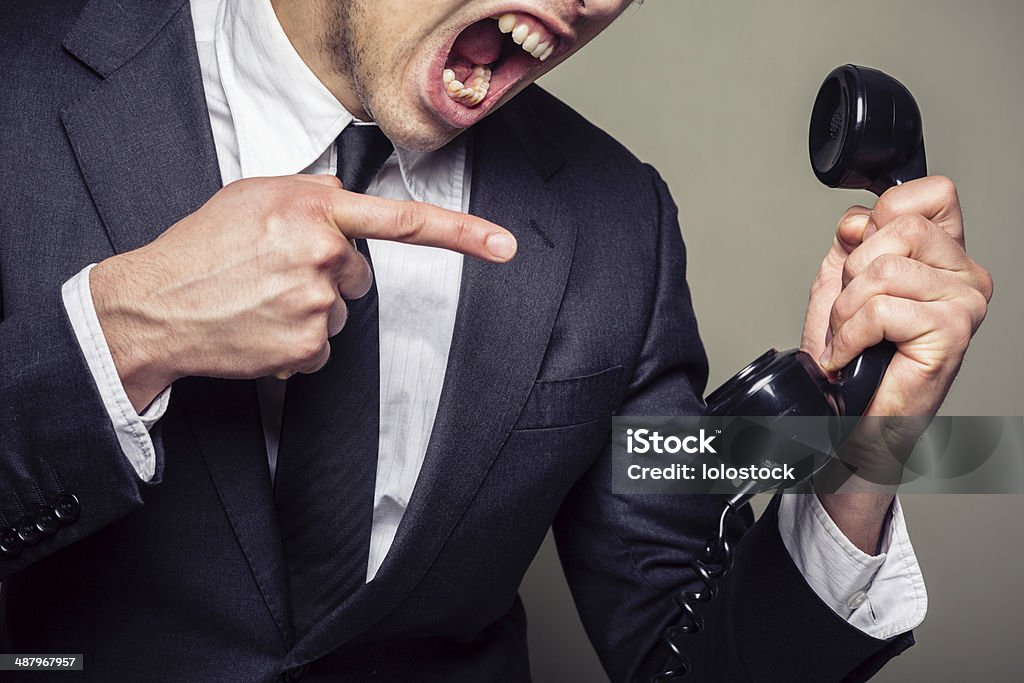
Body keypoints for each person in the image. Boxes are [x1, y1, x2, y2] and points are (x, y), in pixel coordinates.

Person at [0, 1, 992, 681]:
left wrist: (865, 448)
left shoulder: (618, 223)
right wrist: (123, 334)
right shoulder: (21, 74)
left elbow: (685, 652)